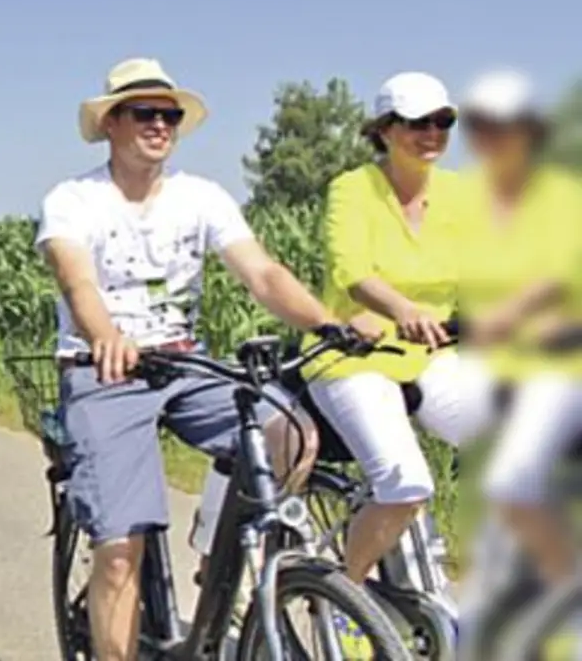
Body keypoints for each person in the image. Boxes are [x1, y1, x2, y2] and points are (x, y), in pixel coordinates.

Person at [36, 57, 330, 661]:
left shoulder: (201, 197)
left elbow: (263, 273)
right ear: (111, 123)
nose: (159, 124)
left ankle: (220, 558)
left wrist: (329, 325)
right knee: (121, 550)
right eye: (144, 112)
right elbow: (77, 281)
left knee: (293, 433)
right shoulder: (74, 200)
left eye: (169, 115)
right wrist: (106, 335)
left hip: (187, 367)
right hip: (105, 371)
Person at [195, 72, 493, 591]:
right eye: (418, 122)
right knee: (405, 484)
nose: (433, 133)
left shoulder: (461, 194)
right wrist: (402, 309)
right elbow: (354, 273)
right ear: (385, 129)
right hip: (353, 359)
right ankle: (346, 600)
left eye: (443, 121)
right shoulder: (353, 190)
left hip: (430, 357)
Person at [457, 69, 582, 589]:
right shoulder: (472, 198)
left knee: (512, 483)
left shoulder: (561, 197)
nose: (494, 139)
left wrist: (507, 316)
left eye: (505, 127)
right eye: (482, 128)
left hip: (560, 363)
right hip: (501, 365)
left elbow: (557, 275)